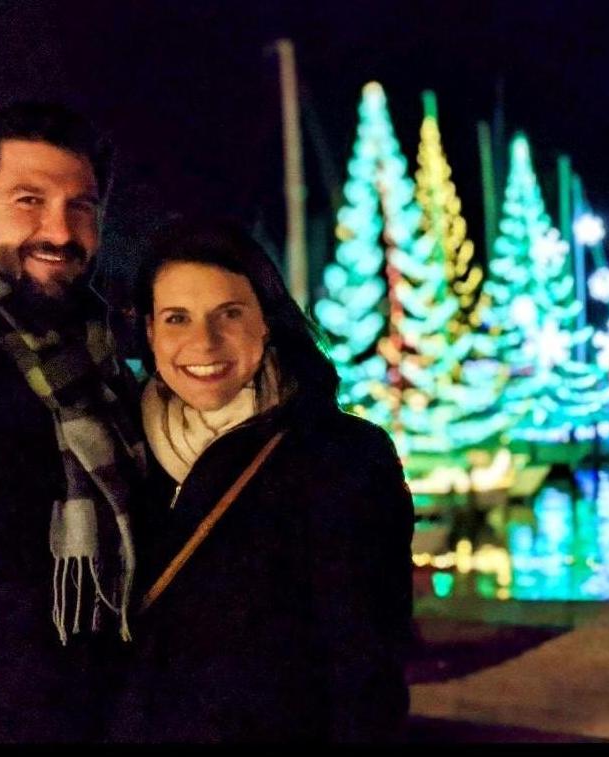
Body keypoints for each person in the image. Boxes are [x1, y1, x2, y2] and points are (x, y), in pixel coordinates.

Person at [114, 217, 415, 743]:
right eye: (177, 318)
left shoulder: (343, 457)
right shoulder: (115, 452)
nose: (203, 343)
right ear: (149, 332)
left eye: (228, 314)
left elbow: (368, 668)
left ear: (266, 322)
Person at [0, 100, 146, 742]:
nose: (60, 230)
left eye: (82, 206)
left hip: (97, 713)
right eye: (28, 200)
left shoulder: (104, 358)